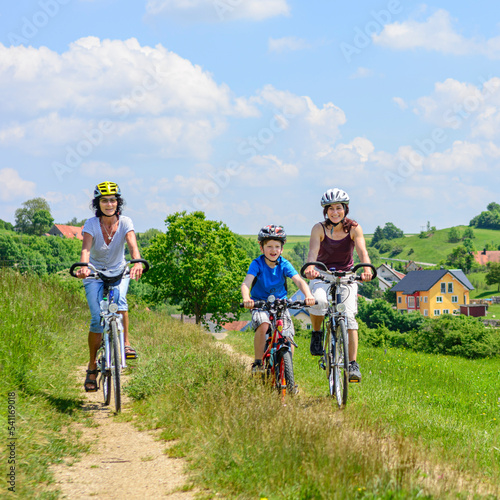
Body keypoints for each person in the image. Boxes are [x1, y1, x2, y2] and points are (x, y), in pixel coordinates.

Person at [75, 181, 145, 392]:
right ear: (98, 203)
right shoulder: (91, 224)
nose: (109, 204)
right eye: (104, 200)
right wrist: (84, 267)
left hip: (119, 271)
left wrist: (137, 262)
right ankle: (92, 365)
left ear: (118, 202)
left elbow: (133, 246)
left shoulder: (125, 222)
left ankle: (125, 344)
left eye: (113, 200)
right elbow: (85, 250)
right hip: (94, 274)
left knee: (120, 300)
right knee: (97, 318)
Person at [304, 188, 373, 382]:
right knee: (318, 301)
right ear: (325, 211)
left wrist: (366, 269)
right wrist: (311, 268)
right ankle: (317, 333)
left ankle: (352, 364)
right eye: (331, 208)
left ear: (345, 209)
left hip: (347, 276)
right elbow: (312, 253)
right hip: (322, 273)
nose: (335, 212)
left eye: (339, 208)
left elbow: (362, 251)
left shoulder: (354, 228)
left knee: (349, 318)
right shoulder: (319, 228)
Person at [241, 224, 316, 373]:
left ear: (282, 248)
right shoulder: (257, 263)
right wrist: (246, 298)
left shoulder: (284, 264)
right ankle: (258, 363)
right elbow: (246, 283)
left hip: (281, 304)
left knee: (287, 336)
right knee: (263, 324)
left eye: (277, 246)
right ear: (262, 248)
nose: (273, 250)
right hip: (260, 304)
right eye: (269, 246)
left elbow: (299, 281)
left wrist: (308, 295)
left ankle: (288, 373)